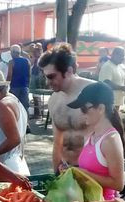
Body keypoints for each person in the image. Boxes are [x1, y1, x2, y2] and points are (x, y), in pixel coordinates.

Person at [39, 43, 93, 172]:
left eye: (51, 76)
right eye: (45, 77)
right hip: (66, 171)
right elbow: (57, 142)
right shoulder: (54, 99)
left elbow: (113, 139)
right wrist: (55, 174)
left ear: (68, 71)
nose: (47, 82)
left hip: (93, 173)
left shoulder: (94, 93)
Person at [67, 81, 125, 200]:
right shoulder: (91, 135)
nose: (81, 113)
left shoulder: (110, 140)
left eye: (84, 108)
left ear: (100, 108)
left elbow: (118, 184)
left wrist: (82, 173)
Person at [6, 44, 31, 116]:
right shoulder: (27, 61)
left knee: (14, 106)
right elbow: (29, 74)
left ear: (14, 52)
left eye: (11, 52)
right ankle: (26, 123)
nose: (10, 54)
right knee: (24, 106)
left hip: (14, 86)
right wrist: (28, 85)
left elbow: (9, 75)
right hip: (24, 86)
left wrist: (6, 85)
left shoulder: (11, 62)